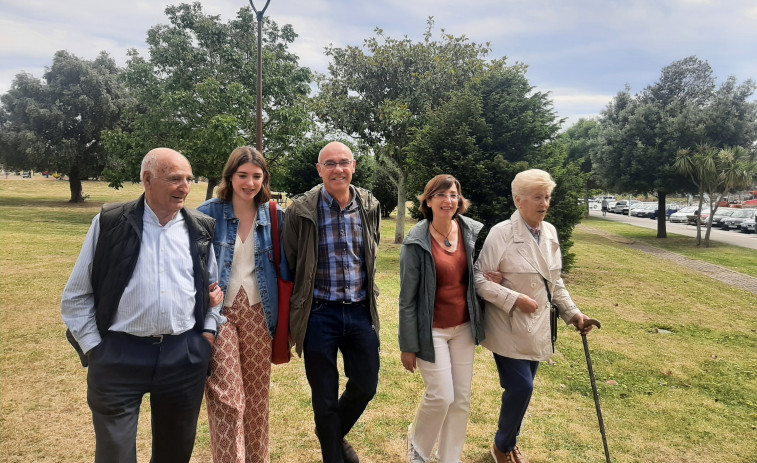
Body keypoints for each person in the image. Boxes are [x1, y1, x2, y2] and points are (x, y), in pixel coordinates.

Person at [61, 148, 226, 463]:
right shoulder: (110, 222)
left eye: (188, 179)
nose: (185, 187)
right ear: (147, 180)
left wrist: (206, 333)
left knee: (175, 453)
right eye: (175, 179)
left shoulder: (200, 227)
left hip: (184, 355)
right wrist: (95, 349)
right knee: (115, 455)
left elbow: (213, 287)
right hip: (119, 356)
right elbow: (76, 295)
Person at [473, 169, 597, 463]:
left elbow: (554, 282)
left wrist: (574, 314)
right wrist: (514, 299)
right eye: (538, 197)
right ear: (519, 200)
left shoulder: (550, 231)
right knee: (521, 387)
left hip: (539, 327)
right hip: (507, 325)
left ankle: (510, 442)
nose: (545, 203)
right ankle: (501, 447)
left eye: (547, 197)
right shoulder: (501, 233)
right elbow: (479, 279)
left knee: (524, 391)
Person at [283, 141, 381, 463]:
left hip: (358, 311)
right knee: (324, 399)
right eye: (330, 163)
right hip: (319, 314)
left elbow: (371, 251)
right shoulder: (300, 210)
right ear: (319, 169)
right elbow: (293, 261)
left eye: (343, 162)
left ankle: (330, 433)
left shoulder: (369, 205)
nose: (338, 169)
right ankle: (333, 450)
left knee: (366, 384)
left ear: (353, 166)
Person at [399, 174, 499, 463]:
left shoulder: (468, 232)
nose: (448, 200)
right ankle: (418, 449)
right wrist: (408, 345)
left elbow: (474, 274)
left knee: (461, 400)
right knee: (441, 396)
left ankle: (449, 458)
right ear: (428, 201)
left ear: (460, 200)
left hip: (464, 328)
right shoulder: (416, 242)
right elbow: (407, 299)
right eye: (441, 195)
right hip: (432, 331)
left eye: (453, 194)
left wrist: (489, 277)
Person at [197, 146, 288, 463]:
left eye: (256, 176)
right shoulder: (207, 213)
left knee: (257, 400)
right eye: (242, 175)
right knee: (227, 398)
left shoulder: (274, 215)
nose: (249, 183)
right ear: (230, 176)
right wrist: (201, 295)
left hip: (259, 315)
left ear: (264, 179)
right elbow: (189, 265)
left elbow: (287, 267)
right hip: (218, 315)